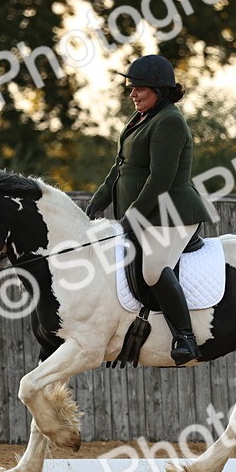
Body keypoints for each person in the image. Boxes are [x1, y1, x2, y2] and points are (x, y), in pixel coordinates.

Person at [86, 54, 212, 365]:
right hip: (147, 215)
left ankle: (186, 337)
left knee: (152, 268)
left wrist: (132, 216)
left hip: (174, 214)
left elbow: (161, 179)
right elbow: (119, 169)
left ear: (159, 90)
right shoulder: (139, 119)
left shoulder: (169, 121)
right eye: (131, 87)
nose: (132, 94)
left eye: (139, 88)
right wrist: (96, 203)